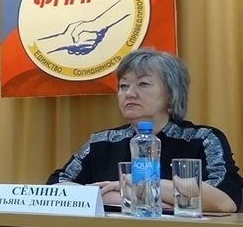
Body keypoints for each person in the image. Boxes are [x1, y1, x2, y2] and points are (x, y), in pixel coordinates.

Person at [47, 49, 242, 213]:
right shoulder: (102, 142)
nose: (129, 93)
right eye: (123, 86)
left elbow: (225, 201)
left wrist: (137, 185)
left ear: (171, 93)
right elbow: (56, 187)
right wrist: (130, 196)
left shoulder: (203, 139)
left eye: (143, 84)